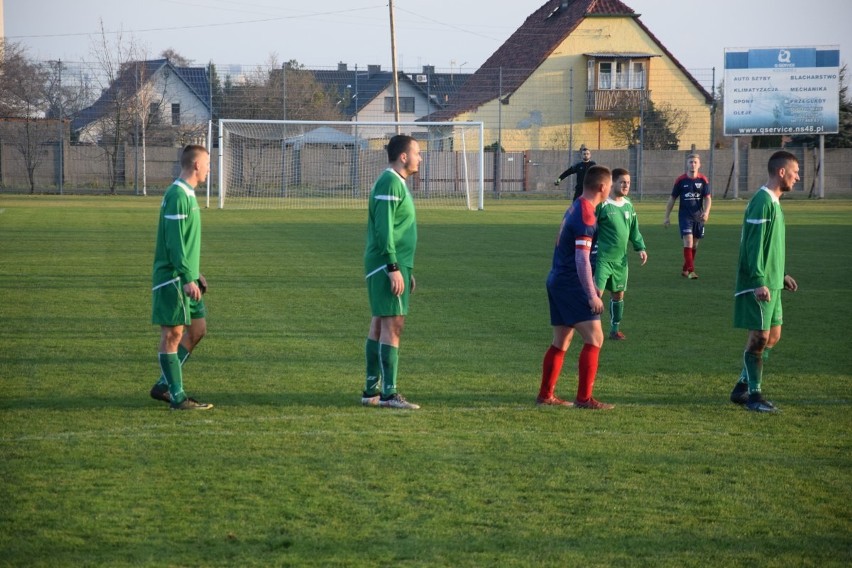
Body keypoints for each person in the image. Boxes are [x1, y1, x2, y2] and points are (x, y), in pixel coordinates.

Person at [537, 164, 614, 410]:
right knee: (595, 338)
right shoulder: (587, 215)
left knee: (561, 340)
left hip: (558, 279)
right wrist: (591, 294)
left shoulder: (576, 206)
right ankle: (584, 399)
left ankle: (546, 395)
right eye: (610, 185)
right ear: (602, 187)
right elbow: (581, 258)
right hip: (572, 283)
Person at [729, 151, 799, 413]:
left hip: (772, 282)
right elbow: (752, 245)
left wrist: (780, 274)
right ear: (781, 172)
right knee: (760, 337)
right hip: (758, 283)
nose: (798, 176)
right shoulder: (762, 201)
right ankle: (755, 396)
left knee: (773, 337)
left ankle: (740, 388)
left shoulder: (774, 202)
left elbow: (769, 247)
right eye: (795, 171)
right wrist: (759, 280)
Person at [150, 144, 213, 410]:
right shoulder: (177, 195)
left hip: (185, 274)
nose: (210, 169)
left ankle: (164, 384)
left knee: (197, 331)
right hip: (173, 278)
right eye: (208, 164)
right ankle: (177, 396)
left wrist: (195, 271)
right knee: (173, 334)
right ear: (196, 165)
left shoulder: (187, 194)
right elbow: (175, 243)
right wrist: (187, 276)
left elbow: (184, 242)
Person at [362, 134, 422, 410]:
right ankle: (389, 393)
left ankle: (371, 390)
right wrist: (393, 266)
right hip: (385, 264)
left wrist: (403, 268)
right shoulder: (389, 182)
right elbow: (384, 228)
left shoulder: (394, 182)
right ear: (403, 156)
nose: (420, 158)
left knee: (379, 324)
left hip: (389, 263)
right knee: (392, 325)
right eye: (417, 153)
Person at [594, 168, 647, 341]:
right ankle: (590, 327)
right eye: (622, 182)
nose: (626, 185)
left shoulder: (628, 204)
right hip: (602, 258)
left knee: (618, 294)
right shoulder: (602, 204)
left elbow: (634, 229)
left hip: (621, 261)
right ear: (613, 183)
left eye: (628, 183)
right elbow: (588, 226)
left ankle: (614, 329)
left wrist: (640, 247)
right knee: (596, 295)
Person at [663, 154, 711, 279]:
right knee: (688, 241)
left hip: (698, 217)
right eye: (690, 162)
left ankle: (685, 269)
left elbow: (708, 198)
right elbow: (672, 199)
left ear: (699, 164)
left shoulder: (703, 180)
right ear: (687, 164)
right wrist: (667, 216)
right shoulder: (680, 180)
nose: (693, 164)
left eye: (695, 162)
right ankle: (691, 271)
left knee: (694, 245)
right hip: (685, 217)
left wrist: (706, 212)